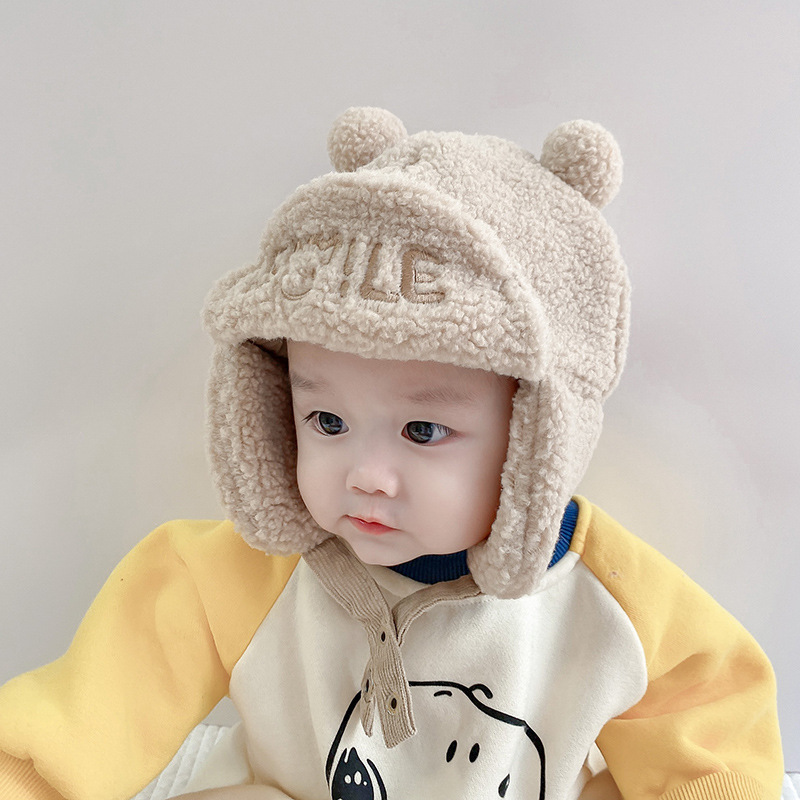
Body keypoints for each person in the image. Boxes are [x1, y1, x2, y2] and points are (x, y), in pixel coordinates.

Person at [0, 107, 783, 800]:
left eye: (422, 432)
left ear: (536, 437)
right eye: (327, 421)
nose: (366, 477)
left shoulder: (611, 605)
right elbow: (81, 722)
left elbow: (711, 735)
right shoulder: (228, 580)